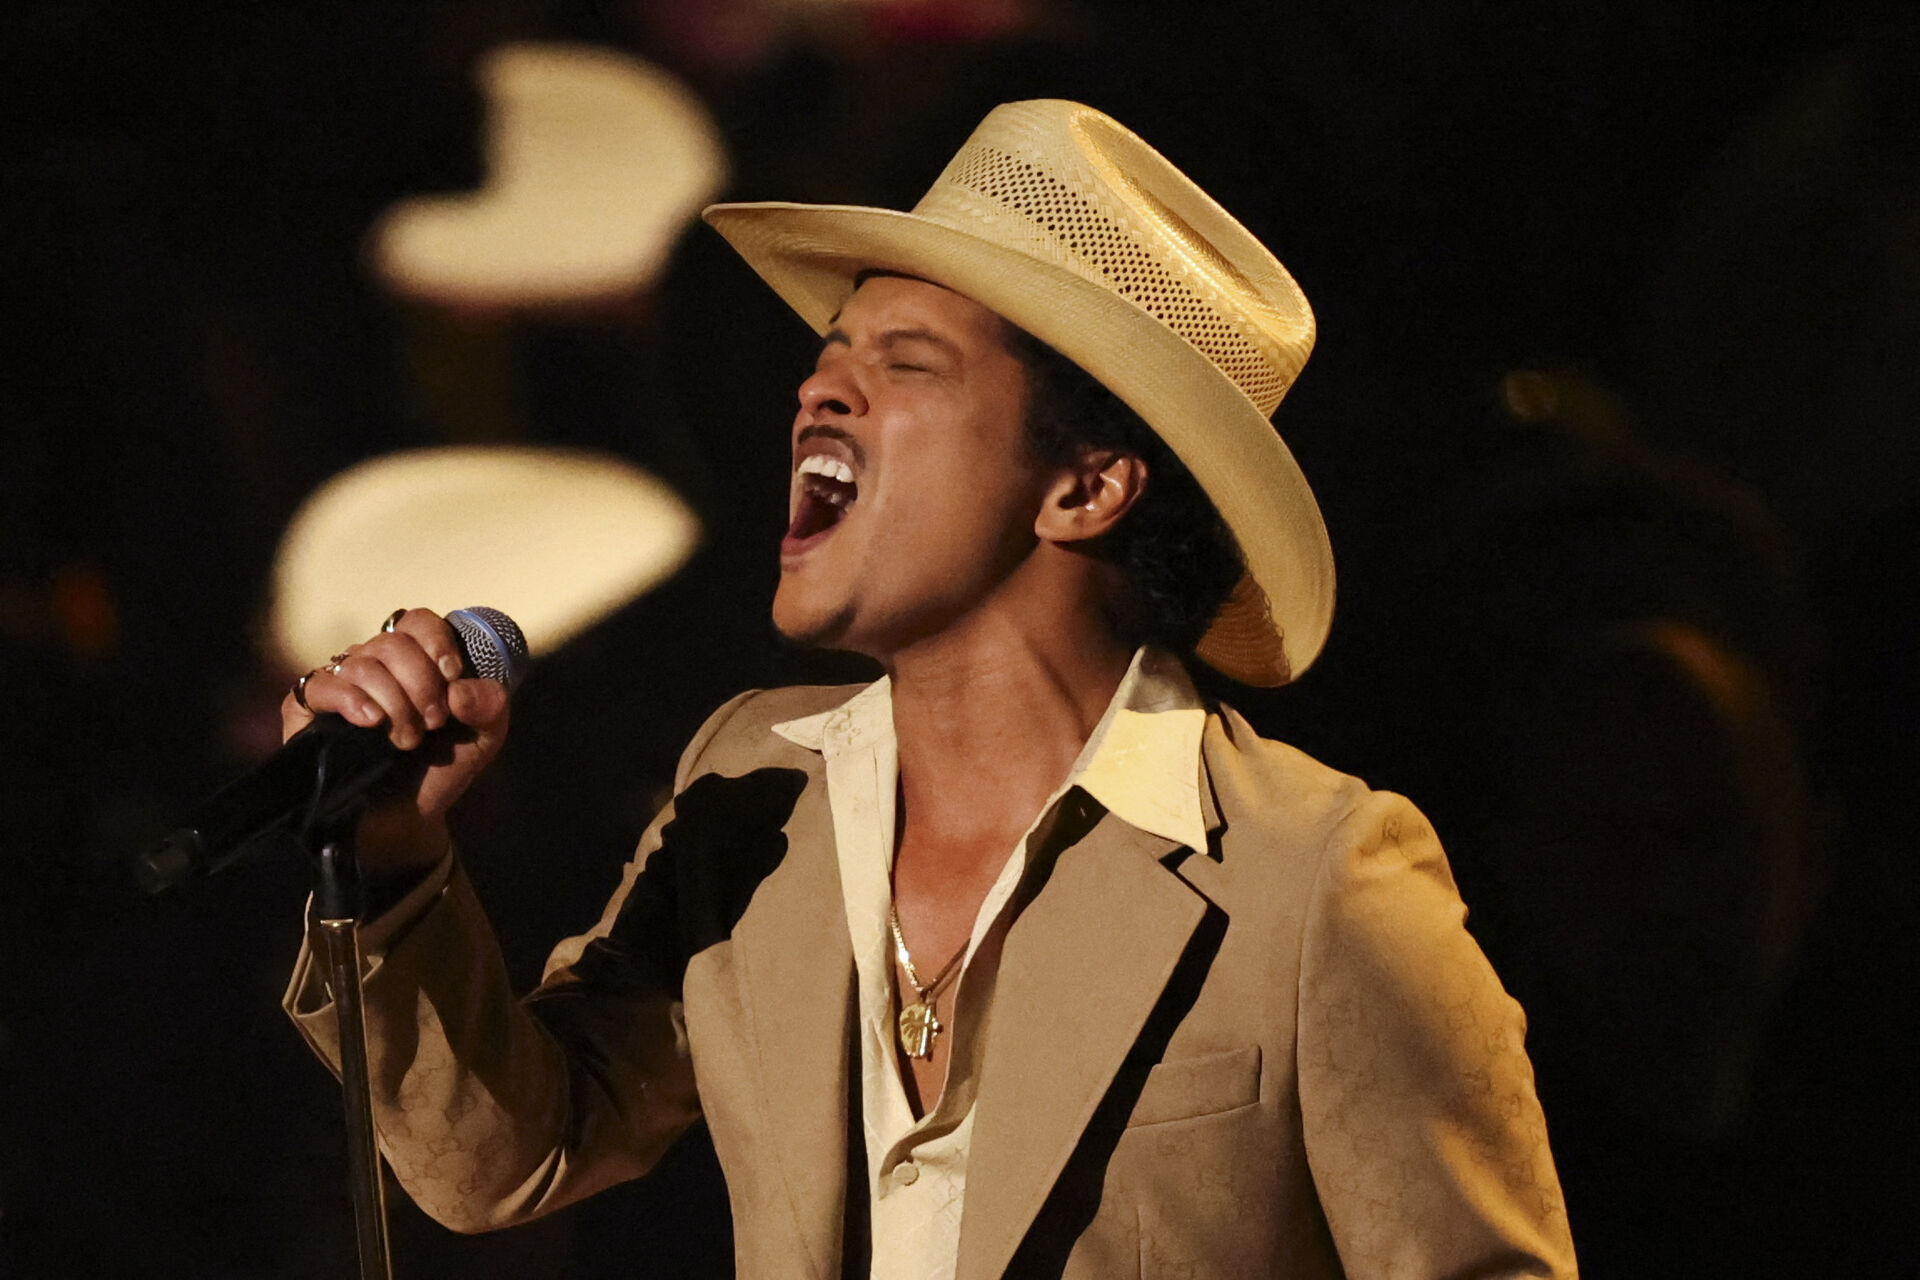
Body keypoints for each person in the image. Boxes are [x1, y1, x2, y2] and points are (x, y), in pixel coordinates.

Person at [282, 100, 1576, 1279]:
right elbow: (510, 1156)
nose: (818, 388)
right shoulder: (754, 787)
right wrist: (392, 860)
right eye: (830, 350)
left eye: (906, 361)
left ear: (1086, 485)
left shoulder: (1313, 883)